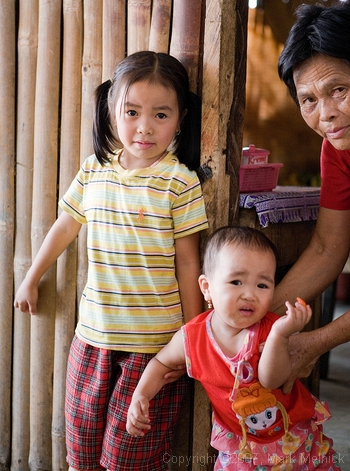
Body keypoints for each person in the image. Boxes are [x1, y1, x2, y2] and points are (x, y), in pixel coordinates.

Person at [14, 51, 208, 471]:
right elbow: (66, 225)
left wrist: (193, 338)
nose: (144, 127)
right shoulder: (94, 170)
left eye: (161, 114)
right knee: (80, 456)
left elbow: (189, 263)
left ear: (181, 117)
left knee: (130, 460)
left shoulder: (180, 181)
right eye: (132, 111)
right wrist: (32, 276)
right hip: (92, 342)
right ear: (110, 110)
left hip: (154, 350)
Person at [127, 226, 338, 470]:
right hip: (241, 445)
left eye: (262, 285)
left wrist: (281, 334)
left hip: (292, 438)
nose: (249, 294)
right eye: (236, 281)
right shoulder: (192, 337)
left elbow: (272, 380)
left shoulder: (271, 328)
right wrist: (141, 394)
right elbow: (161, 363)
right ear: (206, 287)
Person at [273, 0, 350, 393]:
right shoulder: (337, 149)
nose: (327, 114)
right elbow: (326, 248)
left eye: (339, 89)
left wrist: (315, 342)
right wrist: (254, 320)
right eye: (309, 100)